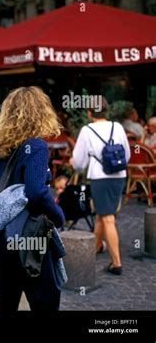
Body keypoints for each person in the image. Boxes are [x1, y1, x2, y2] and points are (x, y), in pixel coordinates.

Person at [0, 86, 65, 311]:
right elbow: (36, 192)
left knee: (6, 302)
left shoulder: (3, 148)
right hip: (33, 238)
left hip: (7, 239)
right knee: (45, 302)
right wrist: (58, 215)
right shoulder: (37, 146)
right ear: (40, 112)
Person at [71, 98, 130, 275]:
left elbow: (79, 163)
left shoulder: (87, 131)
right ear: (106, 111)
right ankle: (94, 248)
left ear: (90, 112)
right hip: (119, 176)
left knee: (107, 218)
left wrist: (73, 162)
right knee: (101, 215)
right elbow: (126, 155)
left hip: (100, 178)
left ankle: (116, 263)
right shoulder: (117, 127)